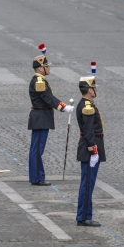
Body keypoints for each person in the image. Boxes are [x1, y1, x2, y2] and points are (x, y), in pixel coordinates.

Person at [27, 44, 74, 187]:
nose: (49, 68)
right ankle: (37, 178)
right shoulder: (39, 81)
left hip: (40, 117)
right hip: (41, 118)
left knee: (37, 149)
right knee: (37, 149)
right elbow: (47, 97)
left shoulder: (40, 80)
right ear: (41, 68)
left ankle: (37, 177)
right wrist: (64, 107)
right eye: (47, 66)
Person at [75, 71, 105, 227]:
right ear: (89, 90)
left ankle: (84, 215)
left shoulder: (86, 104)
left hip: (89, 148)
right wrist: (94, 151)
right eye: (94, 88)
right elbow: (88, 132)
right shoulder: (87, 107)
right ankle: (84, 217)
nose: (96, 90)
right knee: (87, 184)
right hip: (90, 150)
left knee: (88, 184)